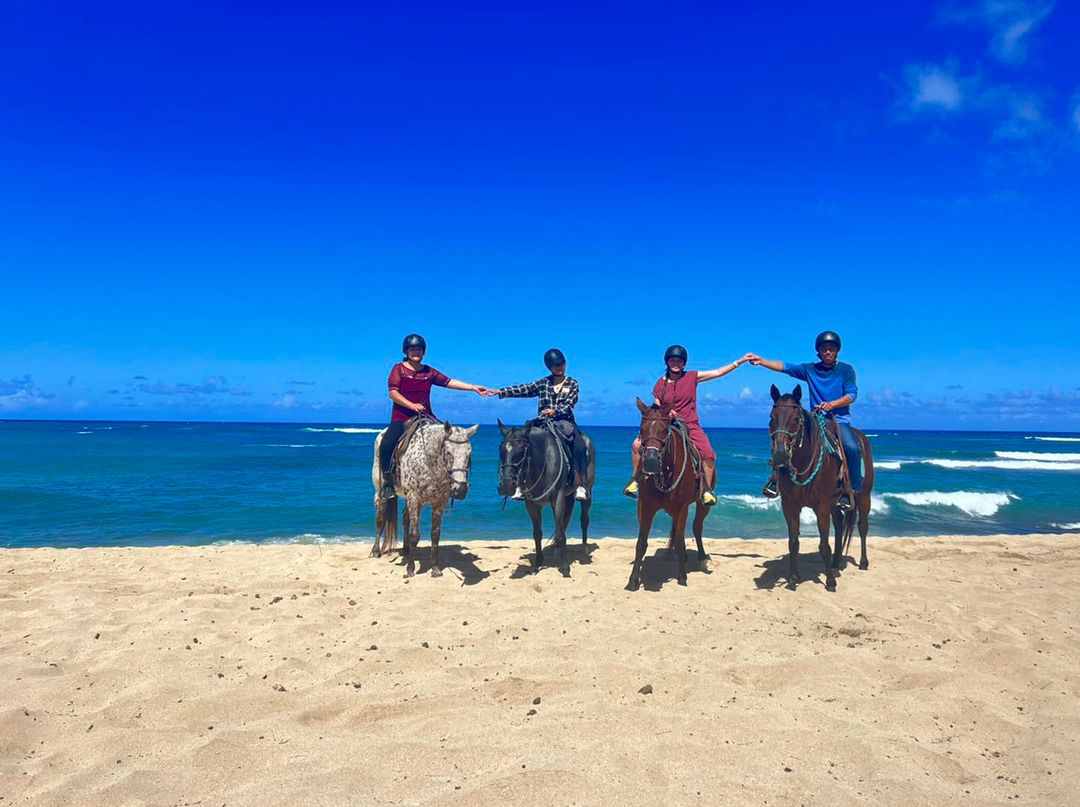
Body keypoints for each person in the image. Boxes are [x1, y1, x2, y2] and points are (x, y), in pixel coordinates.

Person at [746, 330, 861, 510]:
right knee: (785, 441)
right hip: (815, 418)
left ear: (837, 351)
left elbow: (851, 395)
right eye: (824, 349)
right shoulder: (810, 370)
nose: (828, 352)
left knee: (852, 448)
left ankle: (851, 489)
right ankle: (775, 479)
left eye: (831, 349)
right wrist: (762, 362)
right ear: (819, 352)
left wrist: (832, 404)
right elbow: (785, 367)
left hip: (838, 419)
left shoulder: (846, 370)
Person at [624, 345, 750, 506]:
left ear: (684, 363)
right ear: (667, 362)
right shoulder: (660, 384)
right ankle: (635, 480)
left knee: (708, 454)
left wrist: (739, 362)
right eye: (672, 360)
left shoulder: (692, 377)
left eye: (679, 360)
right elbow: (657, 407)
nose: (676, 363)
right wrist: (666, 414)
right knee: (636, 445)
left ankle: (706, 490)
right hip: (666, 424)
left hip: (689, 424)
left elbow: (718, 373)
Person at [379, 334, 490, 499]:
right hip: (402, 417)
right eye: (412, 349)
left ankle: (450, 481)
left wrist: (473, 387)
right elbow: (393, 393)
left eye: (419, 349)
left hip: (426, 416)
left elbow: (449, 382)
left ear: (423, 352)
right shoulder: (398, 369)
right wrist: (411, 405)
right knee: (386, 444)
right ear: (406, 351)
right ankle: (388, 482)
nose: (415, 352)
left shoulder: (428, 371)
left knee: (450, 442)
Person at [489, 348, 590, 502]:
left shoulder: (573, 383)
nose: (560, 367)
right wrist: (501, 392)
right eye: (556, 365)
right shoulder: (543, 383)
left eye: (562, 364)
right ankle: (520, 486)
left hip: (564, 421)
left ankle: (581, 484)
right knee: (522, 443)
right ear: (550, 367)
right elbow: (524, 389)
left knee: (580, 445)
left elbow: (570, 404)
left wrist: (554, 411)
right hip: (542, 421)